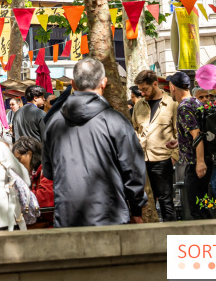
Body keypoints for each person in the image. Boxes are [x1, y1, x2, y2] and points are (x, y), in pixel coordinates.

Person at [43, 58, 147, 227]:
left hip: (67, 217)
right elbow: (133, 171)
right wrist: (136, 210)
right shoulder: (116, 121)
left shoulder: (53, 123)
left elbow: (49, 172)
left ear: (73, 84)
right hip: (110, 216)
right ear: (104, 82)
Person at [131, 70, 179, 222]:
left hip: (162, 159)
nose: (142, 92)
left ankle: (171, 238)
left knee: (166, 202)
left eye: (145, 89)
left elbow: (179, 133)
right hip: (141, 160)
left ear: (155, 84)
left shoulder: (172, 104)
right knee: (143, 203)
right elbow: (133, 129)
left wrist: (173, 157)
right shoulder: (139, 105)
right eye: (140, 90)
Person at [166, 71, 213, 220]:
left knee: (197, 210)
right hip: (204, 159)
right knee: (203, 207)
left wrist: (200, 163)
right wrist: (180, 142)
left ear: (173, 87)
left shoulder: (184, 107)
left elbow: (197, 134)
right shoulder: (196, 102)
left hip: (196, 163)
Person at [12, 136, 54, 210]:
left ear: (29, 154)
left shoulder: (46, 169)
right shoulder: (35, 173)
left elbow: (43, 198)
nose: (18, 164)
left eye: (18, 159)